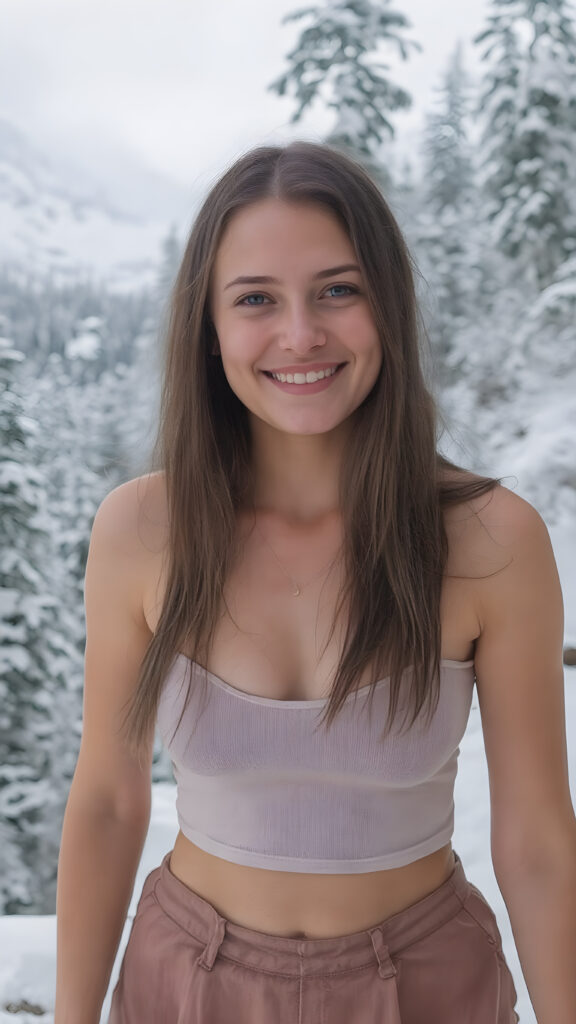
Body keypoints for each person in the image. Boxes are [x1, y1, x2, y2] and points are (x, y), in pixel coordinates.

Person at [54, 141, 576, 1024]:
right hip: (187, 982)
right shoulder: (141, 533)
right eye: (256, 299)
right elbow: (109, 798)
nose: (301, 334)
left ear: (387, 305)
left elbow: (535, 840)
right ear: (209, 326)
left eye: (339, 289)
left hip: (427, 985)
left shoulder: (492, 541)